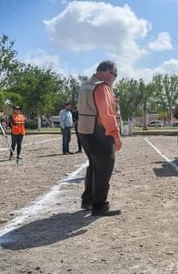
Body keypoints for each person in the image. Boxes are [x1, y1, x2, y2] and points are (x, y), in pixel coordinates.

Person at [77, 60, 122, 216]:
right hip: (99, 132)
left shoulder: (85, 85)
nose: (114, 78)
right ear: (108, 72)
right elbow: (107, 115)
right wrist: (116, 135)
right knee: (103, 168)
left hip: (84, 131)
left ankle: (87, 200)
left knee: (94, 165)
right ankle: (99, 206)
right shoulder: (102, 87)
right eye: (114, 74)